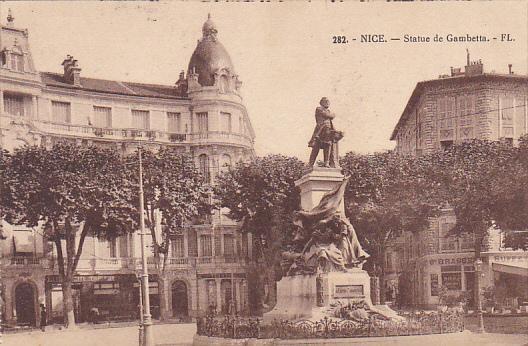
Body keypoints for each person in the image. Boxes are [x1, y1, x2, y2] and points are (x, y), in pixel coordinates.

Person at [308, 97, 343, 167]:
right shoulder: (319, 109)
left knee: (328, 145)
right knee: (316, 147)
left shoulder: (328, 110)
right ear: (321, 102)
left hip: (328, 130)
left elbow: (330, 116)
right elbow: (329, 115)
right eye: (326, 101)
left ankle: (326, 162)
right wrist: (332, 115)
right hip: (320, 130)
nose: (327, 103)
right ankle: (310, 163)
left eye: (328, 102)